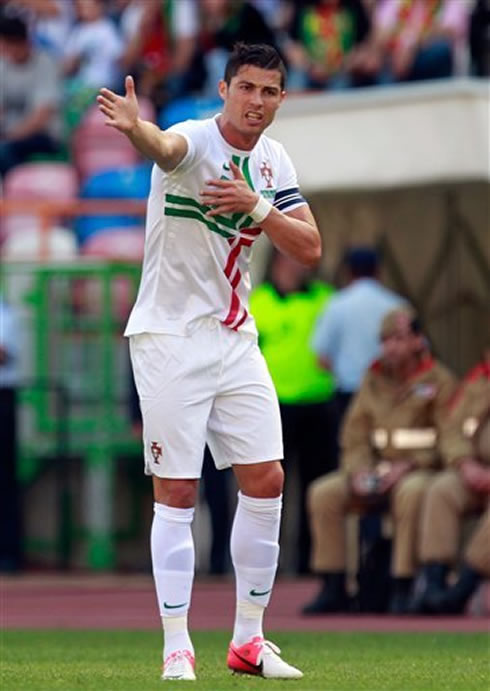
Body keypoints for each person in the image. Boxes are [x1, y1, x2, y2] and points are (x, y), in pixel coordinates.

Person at [97, 42, 321, 681]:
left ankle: (249, 641)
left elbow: (309, 247)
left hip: (234, 337)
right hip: (169, 336)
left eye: (269, 91)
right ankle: (176, 644)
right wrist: (137, 128)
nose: (256, 101)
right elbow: (166, 152)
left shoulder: (274, 162)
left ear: (281, 100)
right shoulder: (194, 139)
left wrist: (254, 206)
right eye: (246, 88)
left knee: (268, 479)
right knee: (177, 491)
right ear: (223, 90)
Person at [302, 306, 456, 615]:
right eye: (386, 340)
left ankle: (402, 584)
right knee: (323, 493)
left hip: (420, 471)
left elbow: (447, 439)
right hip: (373, 472)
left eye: (399, 339)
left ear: (417, 340)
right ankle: (333, 585)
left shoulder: (440, 381)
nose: (391, 347)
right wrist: (359, 472)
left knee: (410, 493)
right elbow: (354, 435)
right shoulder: (372, 379)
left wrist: (410, 465)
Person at [249, 248, 336, 573]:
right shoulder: (258, 300)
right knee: (268, 486)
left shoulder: (325, 299)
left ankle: (310, 561)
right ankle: (267, 561)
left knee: (314, 486)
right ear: (277, 261)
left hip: (317, 403)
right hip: (274, 406)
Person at [412, 347, 490, 615]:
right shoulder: (477, 382)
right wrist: (465, 463)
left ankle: (463, 588)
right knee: (441, 489)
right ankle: (435, 581)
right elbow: (452, 429)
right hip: (474, 469)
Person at [312, 247, 404, 462]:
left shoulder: (336, 305)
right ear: (378, 272)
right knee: (389, 454)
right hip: (390, 393)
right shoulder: (396, 305)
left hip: (348, 394)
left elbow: (321, 357)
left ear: (348, 272)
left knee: (351, 454)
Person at [0, 11, 63, 177]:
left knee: (3, 151)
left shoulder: (44, 63)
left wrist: (9, 136)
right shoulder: (4, 65)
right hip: (10, 134)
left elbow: (41, 117)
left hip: (43, 136)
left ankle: (13, 199)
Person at [0, 295, 22, 572]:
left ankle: (8, 553)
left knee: (4, 478)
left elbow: (3, 353)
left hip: (3, 399)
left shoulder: (7, 311)